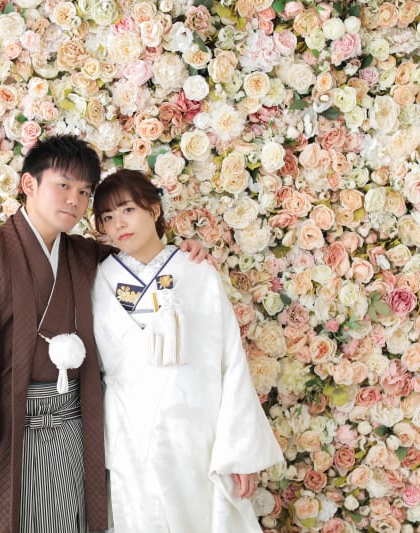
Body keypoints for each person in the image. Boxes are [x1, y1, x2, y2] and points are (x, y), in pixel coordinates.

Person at [0, 136, 207, 533]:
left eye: (84, 192)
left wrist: (180, 255)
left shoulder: (83, 255)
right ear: (29, 184)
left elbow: (140, 261)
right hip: (3, 424)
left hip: (68, 424)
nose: (74, 200)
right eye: (63, 185)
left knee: (60, 519)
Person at [91, 169, 284, 533]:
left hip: (197, 432)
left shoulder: (195, 270)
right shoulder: (98, 279)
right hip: (131, 435)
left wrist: (239, 452)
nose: (119, 224)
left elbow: (230, 361)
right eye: (108, 217)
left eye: (128, 209)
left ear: (153, 208)